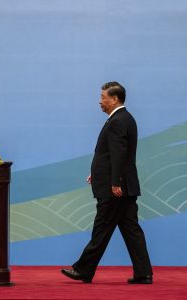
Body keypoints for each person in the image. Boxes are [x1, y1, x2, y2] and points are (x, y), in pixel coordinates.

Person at [61, 81, 153, 284]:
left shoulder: (118, 121)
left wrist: (115, 183)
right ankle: (143, 273)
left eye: (103, 97)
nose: (100, 101)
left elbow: (118, 154)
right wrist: (98, 174)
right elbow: (113, 155)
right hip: (124, 186)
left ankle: (83, 269)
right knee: (131, 231)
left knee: (101, 229)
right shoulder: (126, 118)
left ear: (115, 99)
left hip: (116, 189)